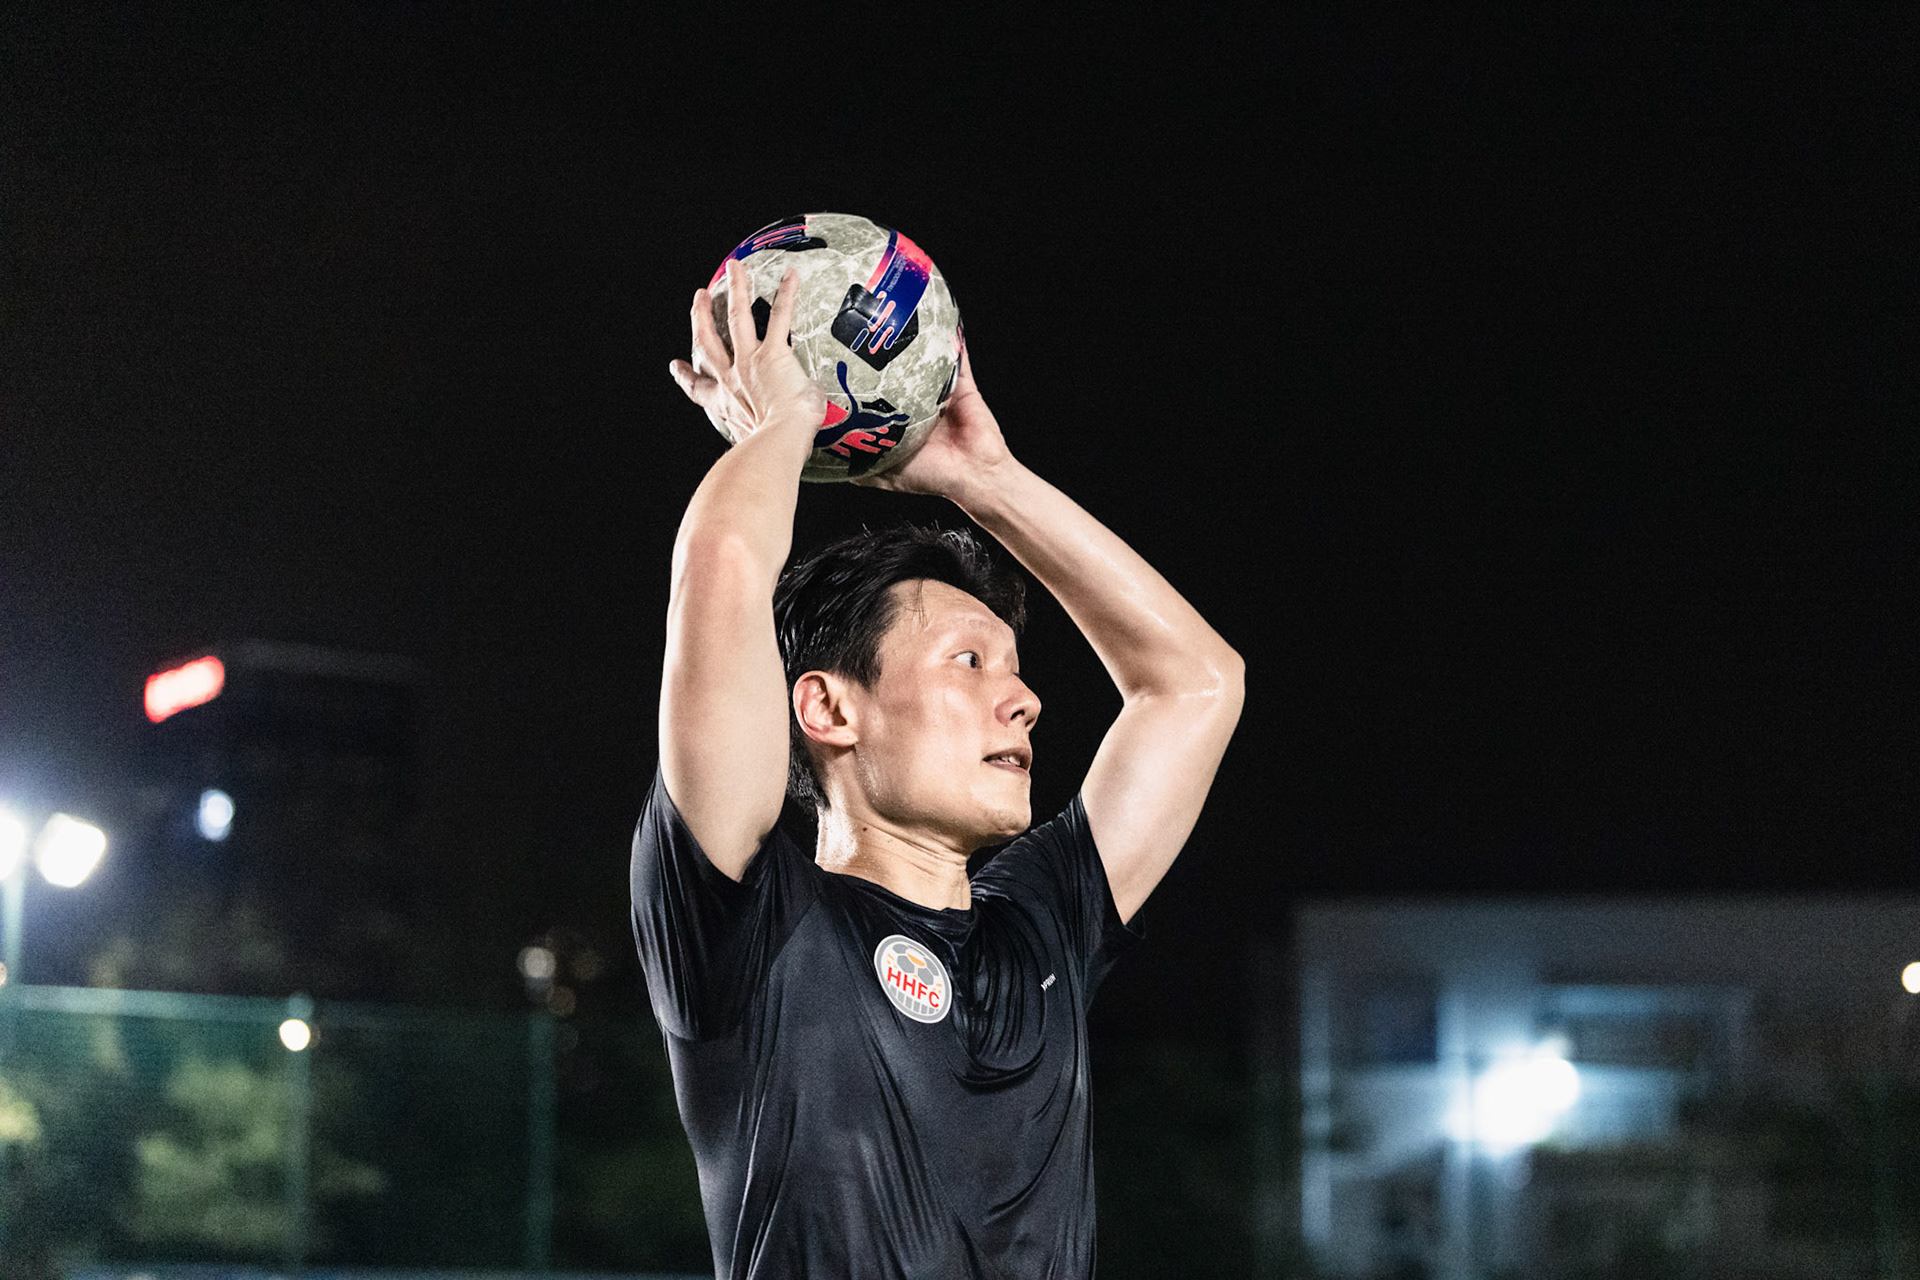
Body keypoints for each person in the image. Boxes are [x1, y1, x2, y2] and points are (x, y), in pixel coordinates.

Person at [632, 258, 1244, 1279]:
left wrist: (984, 481)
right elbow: (725, 573)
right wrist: (783, 419)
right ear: (829, 707)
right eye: (969, 662)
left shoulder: (1039, 925)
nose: (1026, 698)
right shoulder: (747, 918)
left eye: (1016, 668)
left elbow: (1195, 685)